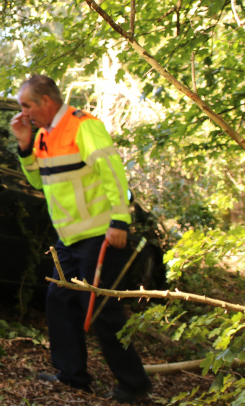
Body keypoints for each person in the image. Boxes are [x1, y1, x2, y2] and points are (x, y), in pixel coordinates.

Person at [10, 75, 152, 403]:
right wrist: (24, 143)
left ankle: (134, 384)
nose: (24, 112)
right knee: (58, 301)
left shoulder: (83, 126)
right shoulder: (43, 134)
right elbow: (37, 179)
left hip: (100, 235)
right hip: (69, 238)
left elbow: (112, 171)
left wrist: (120, 221)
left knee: (103, 311)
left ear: (46, 101)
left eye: (26, 105)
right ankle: (72, 376)